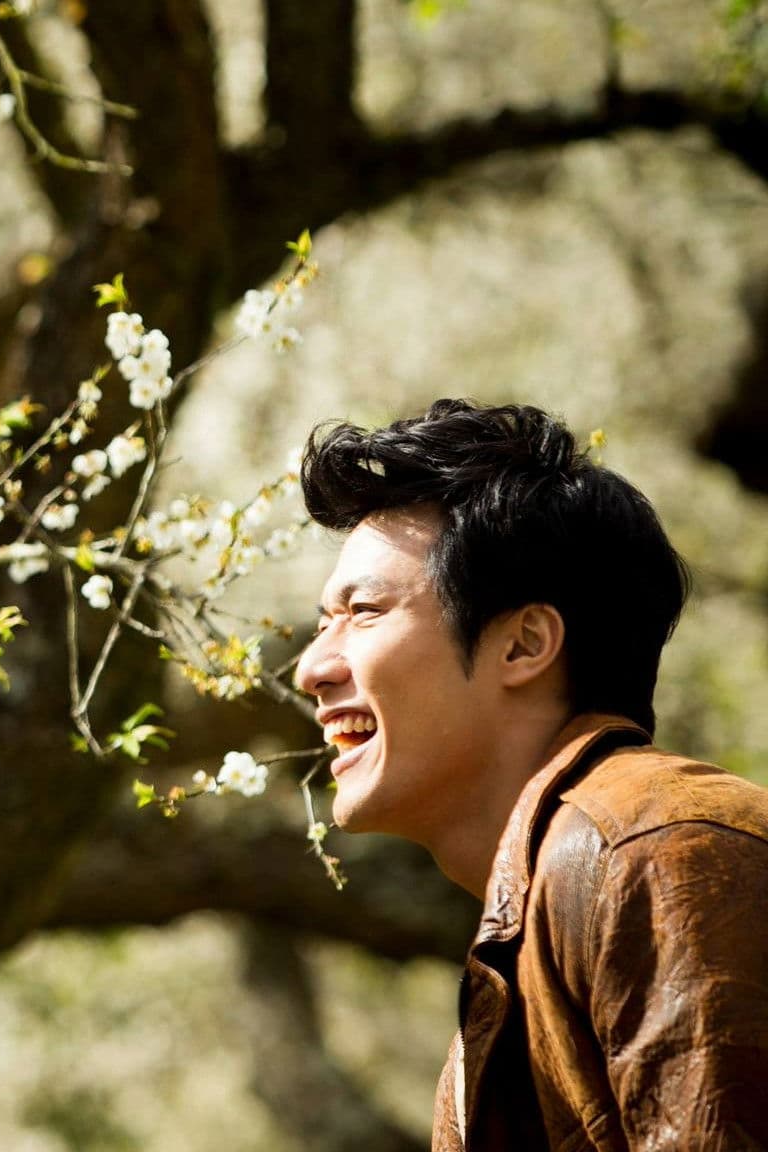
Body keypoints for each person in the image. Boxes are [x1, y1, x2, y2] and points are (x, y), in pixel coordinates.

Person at [292, 398, 768, 1150]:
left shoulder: (658, 854)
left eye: (366, 611)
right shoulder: (536, 926)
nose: (311, 668)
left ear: (524, 645)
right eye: (323, 623)